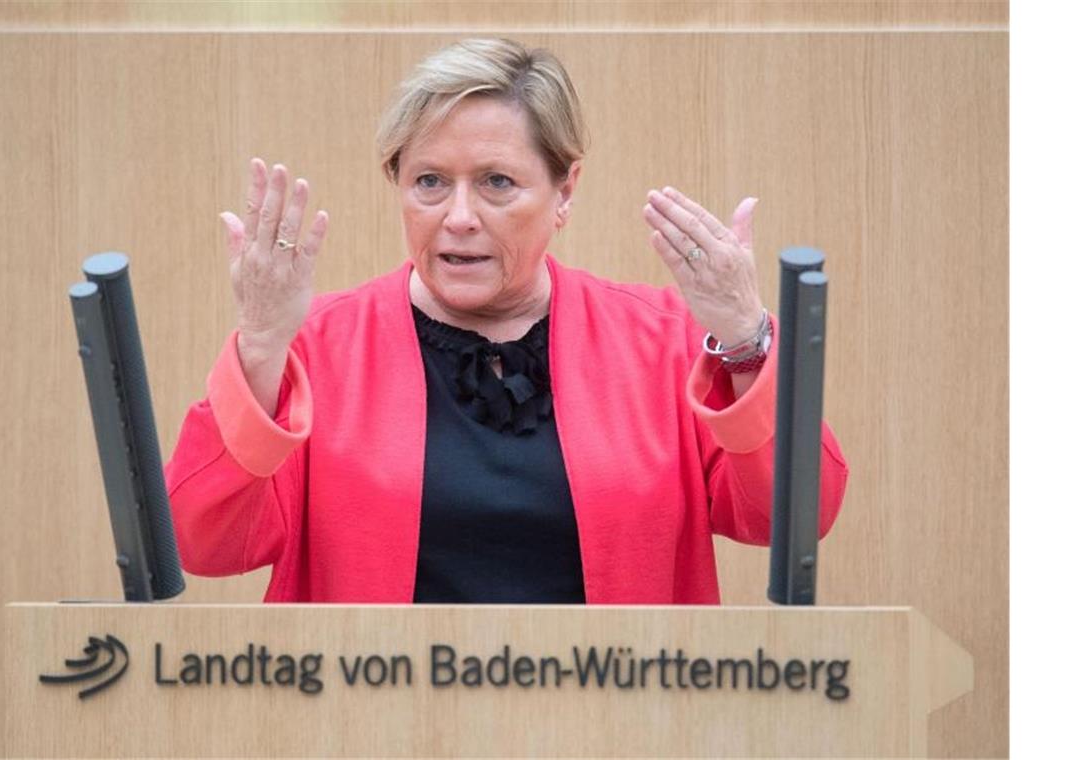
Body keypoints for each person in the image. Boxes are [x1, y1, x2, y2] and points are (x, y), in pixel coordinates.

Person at [165, 37, 848, 604]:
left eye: (497, 182)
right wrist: (259, 345)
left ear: (564, 191)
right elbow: (207, 543)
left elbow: (792, 517)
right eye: (429, 181)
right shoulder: (317, 349)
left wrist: (743, 340)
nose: (458, 217)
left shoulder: (663, 341)